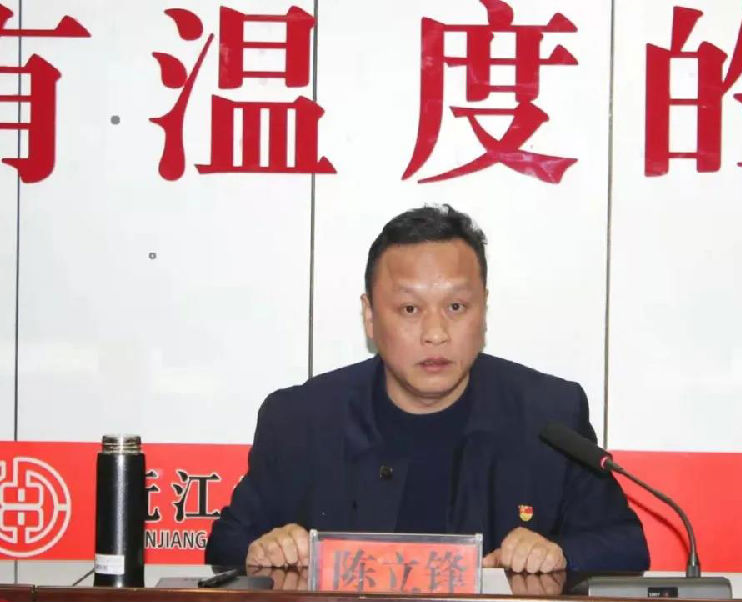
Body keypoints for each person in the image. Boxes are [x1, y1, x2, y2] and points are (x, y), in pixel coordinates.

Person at [206, 204, 649, 574]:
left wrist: (559, 554)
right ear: (370, 316)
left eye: (456, 306)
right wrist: (266, 548)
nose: (435, 333)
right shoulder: (301, 418)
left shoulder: (549, 416)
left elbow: (626, 545)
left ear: (483, 309)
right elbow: (226, 543)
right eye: (409, 309)